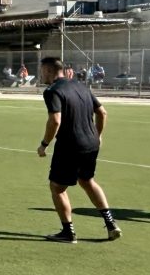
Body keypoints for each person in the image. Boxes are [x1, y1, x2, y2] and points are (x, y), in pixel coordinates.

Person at [37, 57, 121, 243]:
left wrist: (44, 144)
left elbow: (55, 120)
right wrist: (97, 136)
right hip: (90, 144)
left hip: (70, 145)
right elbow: (102, 112)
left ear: (49, 71)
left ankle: (68, 232)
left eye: (42, 70)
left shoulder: (52, 91)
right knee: (87, 181)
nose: (41, 74)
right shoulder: (80, 86)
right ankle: (111, 224)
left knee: (57, 187)